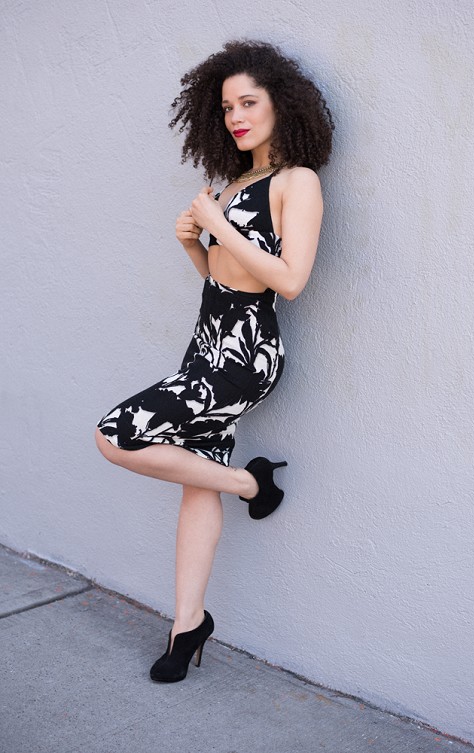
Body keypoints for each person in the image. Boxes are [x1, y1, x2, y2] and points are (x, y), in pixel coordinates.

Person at [95, 40, 334, 683]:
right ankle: (187, 624)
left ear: (281, 104)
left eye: (248, 102)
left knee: (115, 436)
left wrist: (218, 226)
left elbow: (290, 280)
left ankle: (253, 485)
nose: (236, 117)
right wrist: (193, 247)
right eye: (227, 107)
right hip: (206, 341)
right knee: (198, 480)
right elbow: (227, 280)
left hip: (245, 355)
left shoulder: (298, 181)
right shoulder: (238, 182)